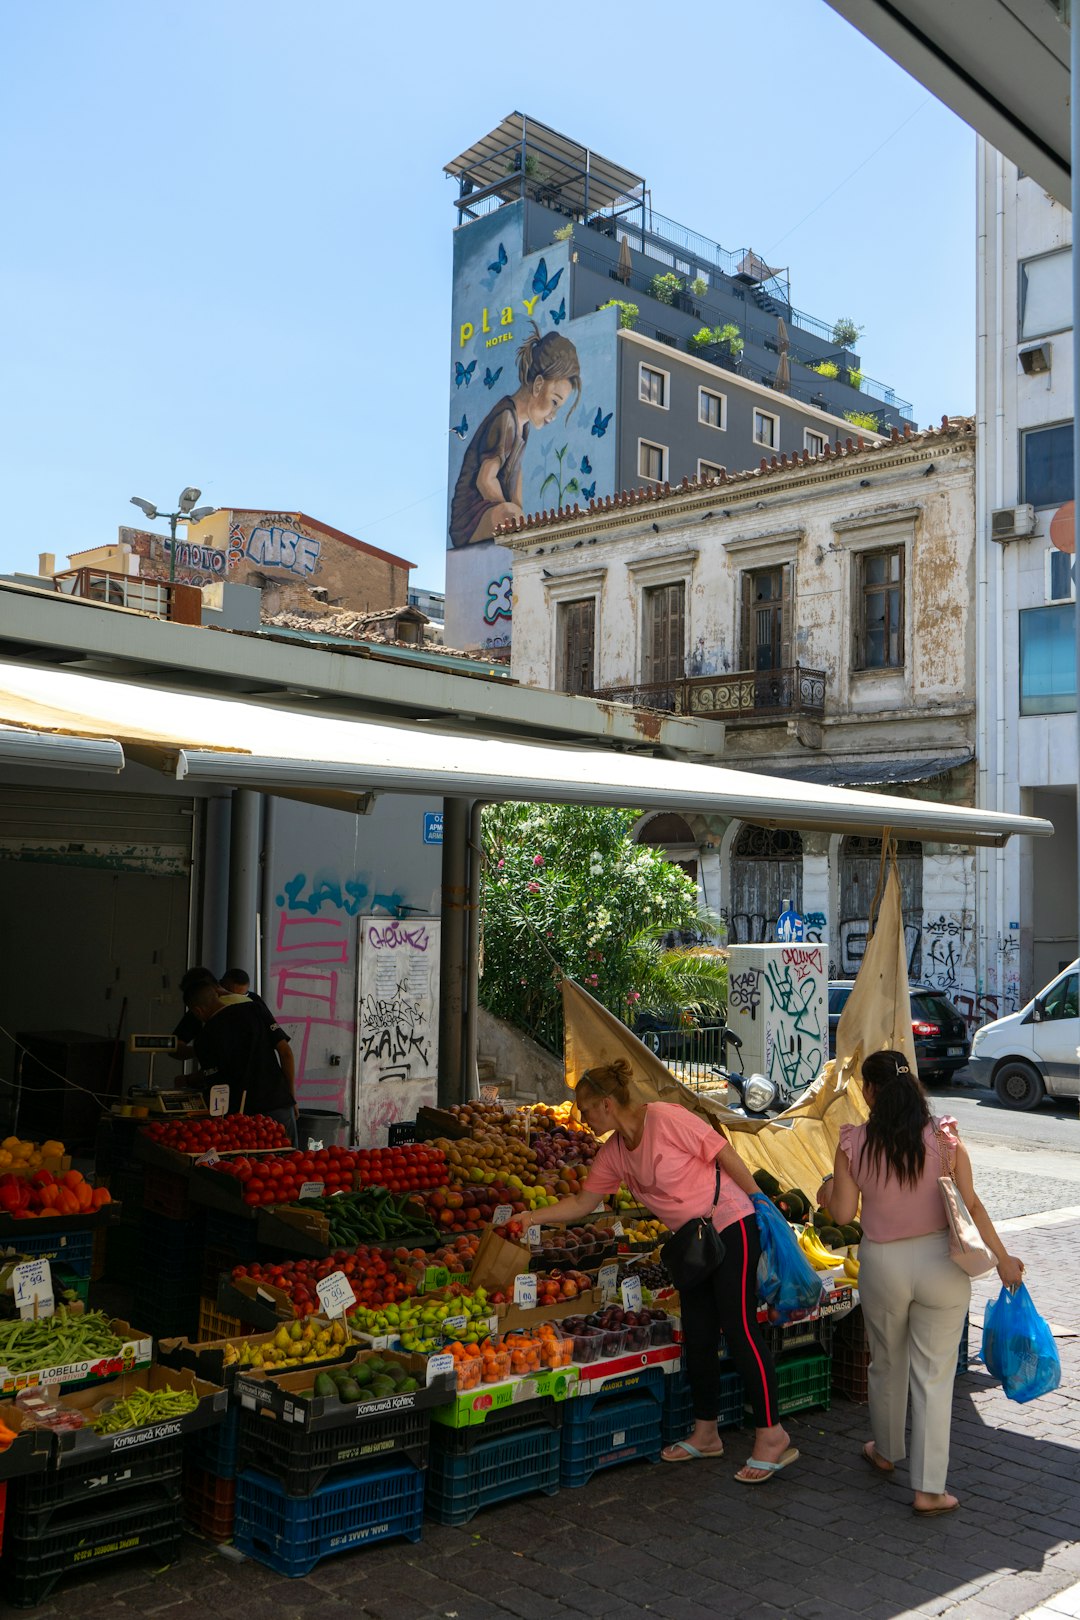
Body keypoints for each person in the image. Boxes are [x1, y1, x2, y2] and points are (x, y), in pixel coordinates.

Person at [537, 1060, 797, 1483]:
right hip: (692, 1247)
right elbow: (583, 1205)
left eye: (585, 1109)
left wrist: (761, 1203)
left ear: (606, 1104)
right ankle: (706, 1432)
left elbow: (722, 1152)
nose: (581, 1117)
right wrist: (533, 1217)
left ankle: (772, 1434)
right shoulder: (616, 1151)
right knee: (697, 1330)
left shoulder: (666, 1118)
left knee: (739, 1327)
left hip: (731, 1224)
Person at [817, 1049, 1024, 1517]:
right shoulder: (946, 1139)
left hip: (883, 1264)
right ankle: (930, 1490)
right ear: (912, 1087)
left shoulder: (854, 1143)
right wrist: (1003, 1258)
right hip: (942, 1263)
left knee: (887, 1362)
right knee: (933, 1378)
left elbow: (843, 1215)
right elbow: (972, 1205)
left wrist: (828, 1191)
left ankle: (887, 1451)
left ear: (870, 1092)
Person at [449, 324, 581, 547]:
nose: (553, 415)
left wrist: (521, 513)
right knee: (511, 517)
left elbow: (515, 475)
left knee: (520, 518)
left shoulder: (523, 425)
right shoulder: (505, 418)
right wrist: (513, 518)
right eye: (554, 403)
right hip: (470, 518)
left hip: (492, 510)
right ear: (538, 385)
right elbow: (485, 481)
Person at [185, 980, 299, 1145]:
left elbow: (217, 1087)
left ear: (198, 1010)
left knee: (248, 1165)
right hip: (278, 1103)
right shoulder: (256, 1009)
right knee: (288, 1163)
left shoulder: (204, 1039)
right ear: (218, 995)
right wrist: (291, 1096)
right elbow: (286, 1052)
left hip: (243, 1118)